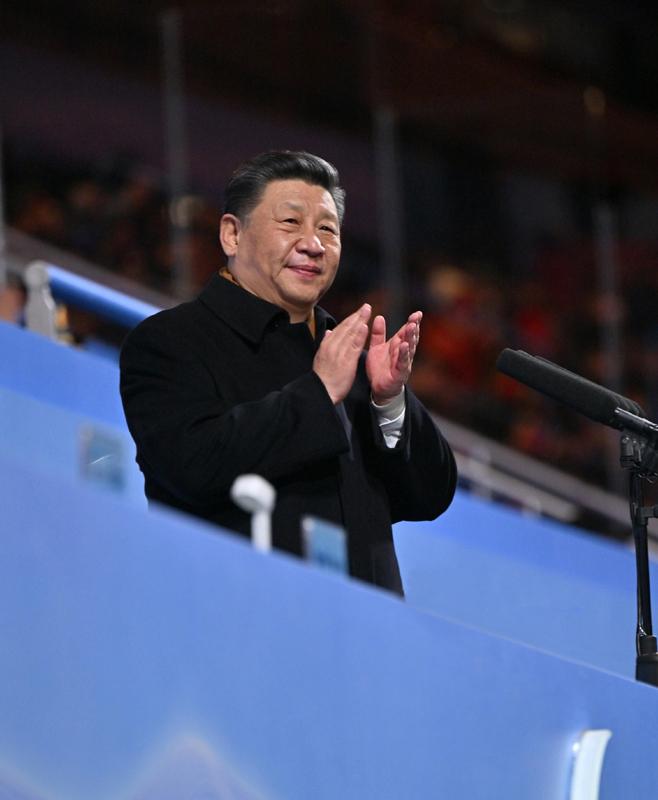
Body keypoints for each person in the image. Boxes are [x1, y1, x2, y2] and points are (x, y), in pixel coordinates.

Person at [120, 151, 456, 595]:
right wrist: (318, 393)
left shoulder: (352, 357)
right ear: (232, 234)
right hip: (237, 615)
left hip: (369, 626)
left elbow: (429, 496)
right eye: (291, 222)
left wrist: (389, 402)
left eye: (327, 229)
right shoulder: (170, 340)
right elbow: (191, 467)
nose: (313, 244)